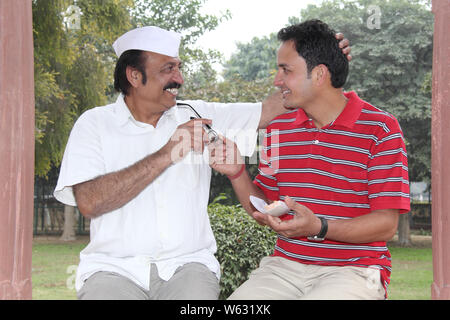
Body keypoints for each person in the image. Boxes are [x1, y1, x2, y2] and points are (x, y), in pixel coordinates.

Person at [54, 25, 351, 300]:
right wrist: (168, 152)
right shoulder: (94, 124)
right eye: (168, 69)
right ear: (134, 76)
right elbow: (89, 203)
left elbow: (271, 109)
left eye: (179, 68)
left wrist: (320, 63)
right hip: (112, 270)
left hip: (188, 267)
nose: (180, 79)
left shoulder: (198, 114)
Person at [209, 19, 410, 300]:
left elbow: (386, 224)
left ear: (319, 74)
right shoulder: (277, 129)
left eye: (285, 70)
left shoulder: (381, 130)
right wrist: (237, 173)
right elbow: (265, 208)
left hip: (354, 271)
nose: (277, 81)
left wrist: (319, 227)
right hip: (283, 267)